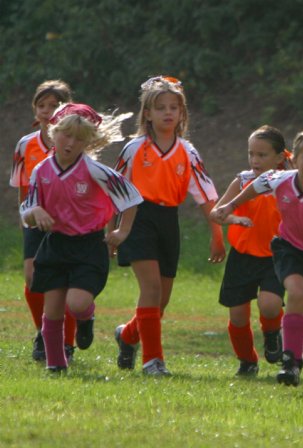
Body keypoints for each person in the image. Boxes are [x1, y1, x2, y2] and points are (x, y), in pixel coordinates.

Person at [211, 128, 303, 393]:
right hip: (288, 249)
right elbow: (255, 187)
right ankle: (291, 360)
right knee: (296, 291)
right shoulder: (280, 179)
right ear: (294, 160)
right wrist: (230, 207)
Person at [113, 76, 226, 376]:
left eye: (173, 107)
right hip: (138, 218)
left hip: (168, 222)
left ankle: (126, 336)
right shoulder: (134, 149)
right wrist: (112, 231)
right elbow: (115, 190)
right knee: (149, 289)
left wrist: (217, 235)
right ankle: (153, 361)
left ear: (182, 113)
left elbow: (206, 196)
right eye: (160, 107)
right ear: (147, 114)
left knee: (160, 303)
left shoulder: (188, 152)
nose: (167, 112)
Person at [19, 103, 142, 372]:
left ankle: (86, 318)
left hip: (89, 245)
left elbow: (131, 197)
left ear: (89, 142)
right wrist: (35, 211)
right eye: (66, 135)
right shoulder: (41, 170)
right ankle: (56, 365)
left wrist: (122, 231)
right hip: (56, 244)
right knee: (51, 311)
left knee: (76, 304)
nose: (71, 143)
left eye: (79, 138)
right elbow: (26, 210)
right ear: (54, 132)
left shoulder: (95, 171)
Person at [9, 80, 81, 362]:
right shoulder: (25, 145)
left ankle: (67, 341)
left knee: (65, 278)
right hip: (35, 217)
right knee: (32, 276)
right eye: (42, 105)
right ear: (35, 110)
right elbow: (23, 187)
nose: (48, 111)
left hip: (67, 220)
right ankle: (44, 331)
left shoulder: (75, 142)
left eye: (55, 105)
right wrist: (23, 217)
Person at [213, 125, 292, 376]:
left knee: (269, 305)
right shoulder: (243, 180)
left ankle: (272, 334)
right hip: (242, 256)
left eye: (262, 155)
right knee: (237, 316)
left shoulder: (290, 183)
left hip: (275, 256)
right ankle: (247, 361)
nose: (255, 160)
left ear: (280, 158)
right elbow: (218, 213)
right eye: (251, 154)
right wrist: (234, 220)